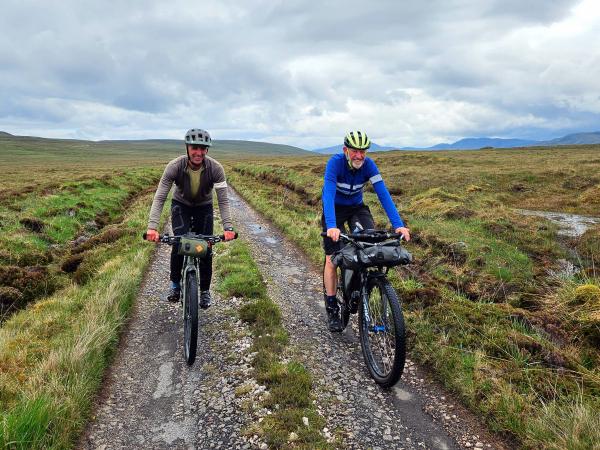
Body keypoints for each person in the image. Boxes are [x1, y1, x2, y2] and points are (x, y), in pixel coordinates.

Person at [321, 130, 410, 332]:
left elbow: (383, 194)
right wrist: (332, 225)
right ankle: (332, 305)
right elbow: (328, 194)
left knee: (369, 245)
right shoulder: (334, 163)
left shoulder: (369, 165)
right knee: (331, 258)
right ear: (346, 150)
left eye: (363, 152)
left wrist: (398, 224)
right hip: (334, 209)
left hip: (357, 209)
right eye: (355, 151)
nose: (359, 156)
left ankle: (360, 287)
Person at [145, 128, 236, 307]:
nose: (199, 152)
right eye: (195, 148)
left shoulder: (216, 168)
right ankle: (175, 286)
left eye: (203, 148)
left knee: (206, 247)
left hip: (204, 207)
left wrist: (228, 228)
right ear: (187, 147)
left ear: (207, 150)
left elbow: (223, 201)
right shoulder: (175, 166)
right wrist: (152, 227)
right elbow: (160, 196)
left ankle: (204, 291)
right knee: (179, 243)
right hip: (181, 205)